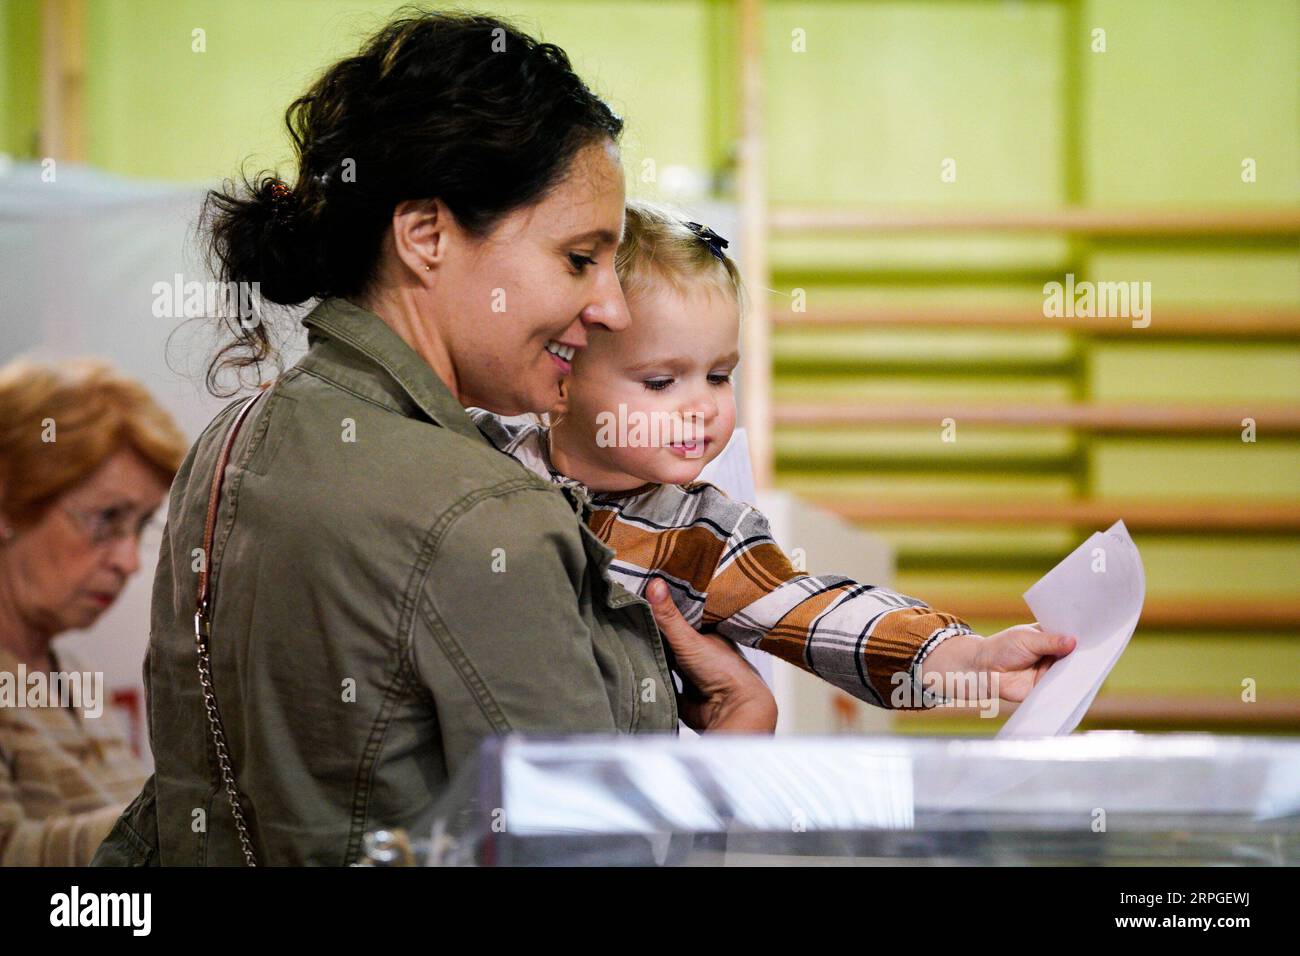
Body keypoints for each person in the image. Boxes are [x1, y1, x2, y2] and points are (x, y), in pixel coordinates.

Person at [93, 11, 776, 868]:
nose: (612, 308)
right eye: (578, 259)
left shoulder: (229, 442)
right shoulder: (488, 517)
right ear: (426, 236)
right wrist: (733, 759)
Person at [469, 199, 1077, 711]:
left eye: (718, 376)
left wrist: (970, 660)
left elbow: (820, 614)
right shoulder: (482, 452)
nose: (702, 407)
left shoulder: (703, 537)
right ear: (563, 372)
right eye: (660, 382)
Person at [0, 357, 186, 865]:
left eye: (140, 525)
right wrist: (193, 810)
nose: (128, 561)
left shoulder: (75, 678)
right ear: (9, 503)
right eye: (106, 518)